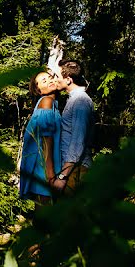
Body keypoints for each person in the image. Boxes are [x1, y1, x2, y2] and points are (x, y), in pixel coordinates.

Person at [18, 71, 62, 204]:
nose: (50, 81)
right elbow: (46, 139)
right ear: (39, 90)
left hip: (44, 164)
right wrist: (50, 172)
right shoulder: (47, 102)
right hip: (44, 165)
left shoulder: (51, 103)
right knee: (45, 207)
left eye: (50, 78)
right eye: (44, 81)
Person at [51, 59, 94, 194]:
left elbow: (77, 142)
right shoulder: (74, 99)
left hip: (76, 171)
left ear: (68, 79)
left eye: (57, 76)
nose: (55, 80)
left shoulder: (80, 101)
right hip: (72, 169)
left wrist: (63, 176)